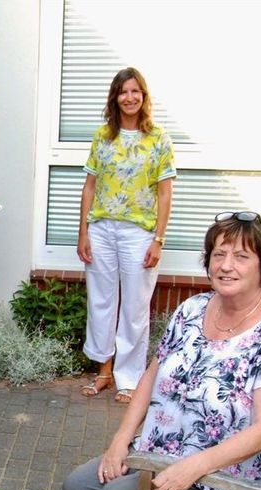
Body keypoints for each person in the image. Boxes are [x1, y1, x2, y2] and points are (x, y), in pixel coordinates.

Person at [63, 212, 261, 490]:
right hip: (166, 451)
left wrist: (193, 467)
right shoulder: (193, 309)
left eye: (241, 256)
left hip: (235, 479)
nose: (226, 266)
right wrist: (120, 440)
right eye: (219, 254)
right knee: (80, 486)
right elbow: (152, 375)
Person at [77, 67, 176, 404]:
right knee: (102, 302)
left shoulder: (158, 138)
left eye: (136, 91)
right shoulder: (102, 136)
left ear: (144, 97)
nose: (130, 97)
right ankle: (103, 371)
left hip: (139, 232)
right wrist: (83, 233)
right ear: (115, 97)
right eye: (124, 91)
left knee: (134, 307)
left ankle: (129, 378)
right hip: (102, 229)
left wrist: (158, 239)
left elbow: (165, 194)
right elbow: (89, 187)